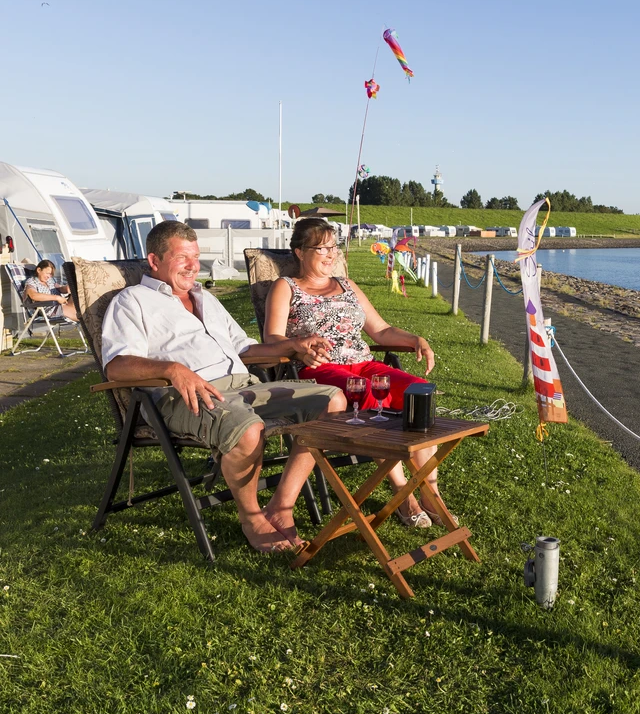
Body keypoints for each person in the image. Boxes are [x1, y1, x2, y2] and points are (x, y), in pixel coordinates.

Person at [101, 220, 347, 554]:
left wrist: (294, 345)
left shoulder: (205, 297)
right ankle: (252, 518)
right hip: (187, 395)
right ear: (155, 260)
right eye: (182, 257)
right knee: (248, 431)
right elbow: (116, 364)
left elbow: (244, 349)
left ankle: (281, 506)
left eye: (196, 256)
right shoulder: (133, 301)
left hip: (245, 384)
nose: (193, 265)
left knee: (332, 401)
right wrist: (173, 370)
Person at [264, 217, 456, 530]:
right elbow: (271, 338)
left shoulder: (347, 285)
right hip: (321, 369)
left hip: (363, 362)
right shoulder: (286, 288)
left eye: (333, 247)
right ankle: (402, 493)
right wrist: (298, 344)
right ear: (299, 252)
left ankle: (430, 491)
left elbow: (380, 330)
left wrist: (415, 340)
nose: (330, 254)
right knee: (365, 395)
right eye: (321, 248)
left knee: (418, 391)